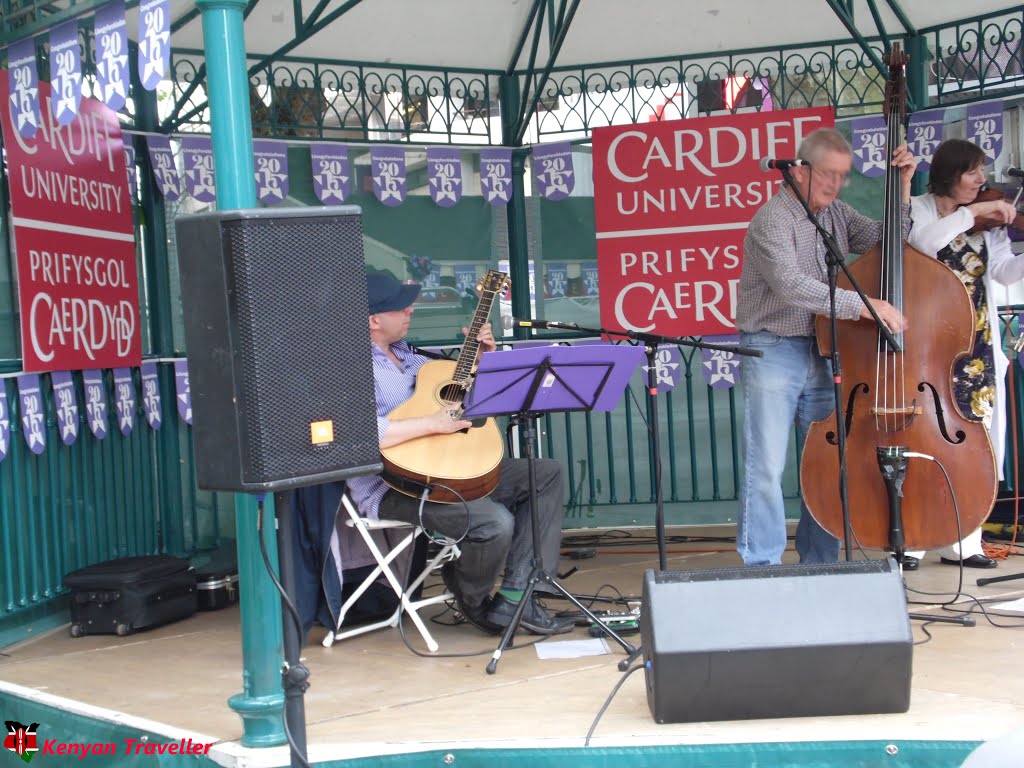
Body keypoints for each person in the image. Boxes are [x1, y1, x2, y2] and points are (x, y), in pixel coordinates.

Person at [346, 271, 574, 635]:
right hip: (394, 486)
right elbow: (356, 436)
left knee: (544, 473)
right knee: (493, 522)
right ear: (374, 319)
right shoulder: (350, 369)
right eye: (401, 307)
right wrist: (433, 423)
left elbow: (469, 403)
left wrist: (484, 360)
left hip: (454, 472)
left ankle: (516, 596)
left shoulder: (419, 360)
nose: (411, 310)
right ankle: (473, 600)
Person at [736, 127, 916, 566]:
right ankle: (762, 566)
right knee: (767, 467)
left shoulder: (835, 214)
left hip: (823, 349)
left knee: (827, 461)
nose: (836, 185)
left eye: (843, 176)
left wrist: (905, 189)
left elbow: (886, 240)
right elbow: (792, 287)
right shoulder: (771, 220)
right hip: (774, 347)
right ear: (799, 171)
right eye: (828, 175)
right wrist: (865, 305)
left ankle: (820, 562)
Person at [902, 138, 1022, 570]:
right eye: (973, 172)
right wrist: (972, 213)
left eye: (982, 172)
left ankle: (964, 541)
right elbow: (922, 244)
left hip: (977, 347)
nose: (982, 180)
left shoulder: (989, 224)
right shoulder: (919, 208)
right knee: (923, 440)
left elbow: (1004, 272)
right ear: (951, 172)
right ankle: (914, 538)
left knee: (973, 444)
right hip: (929, 346)